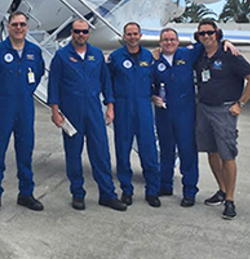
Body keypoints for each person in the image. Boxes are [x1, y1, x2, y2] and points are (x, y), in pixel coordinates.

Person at [152, 28, 239, 208]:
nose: (169, 43)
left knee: (187, 152)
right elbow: (146, 82)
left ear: (177, 41)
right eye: (165, 40)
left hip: (185, 112)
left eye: (172, 39)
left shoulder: (188, 53)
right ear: (160, 42)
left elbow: (209, 42)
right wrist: (152, 96)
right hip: (163, 113)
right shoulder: (154, 60)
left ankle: (189, 191)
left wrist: (225, 42)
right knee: (166, 150)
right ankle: (165, 185)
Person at [48, 19, 126, 212]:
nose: (80, 35)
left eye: (84, 31)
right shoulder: (61, 56)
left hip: (93, 112)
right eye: (76, 31)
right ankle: (77, 193)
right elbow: (53, 84)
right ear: (72, 33)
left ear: (88, 34)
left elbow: (106, 82)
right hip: (71, 114)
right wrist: (55, 111)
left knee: (101, 153)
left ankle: (107, 194)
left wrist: (110, 106)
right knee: (73, 155)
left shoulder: (96, 55)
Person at [194, 19, 250, 220]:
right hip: (204, 108)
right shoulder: (200, 55)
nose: (206, 36)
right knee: (212, 152)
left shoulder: (230, 54)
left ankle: (230, 200)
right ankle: (222, 190)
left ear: (217, 33)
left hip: (224, 111)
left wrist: (240, 104)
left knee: (227, 155)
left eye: (209, 33)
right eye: (202, 34)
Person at [0, 12, 45, 215]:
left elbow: (39, 73)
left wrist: (24, 93)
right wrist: (0, 99)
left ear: (27, 27)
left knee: (25, 152)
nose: (19, 28)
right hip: (2, 109)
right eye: (15, 24)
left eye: (22, 24)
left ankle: (26, 193)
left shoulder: (35, 51)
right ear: (8, 27)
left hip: (25, 108)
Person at [108, 22, 161, 208]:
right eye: (128, 34)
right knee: (122, 150)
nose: (132, 37)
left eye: (135, 34)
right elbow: (108, 83)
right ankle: (126, 190)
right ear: (124, 36)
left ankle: (152, 190)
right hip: (123, 108)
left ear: (140, 36)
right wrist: (110, 105)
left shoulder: (148, 56)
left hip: (144, 108)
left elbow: (155, 80)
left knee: (149, 150)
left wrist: (156, 95)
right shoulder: (115, 57)